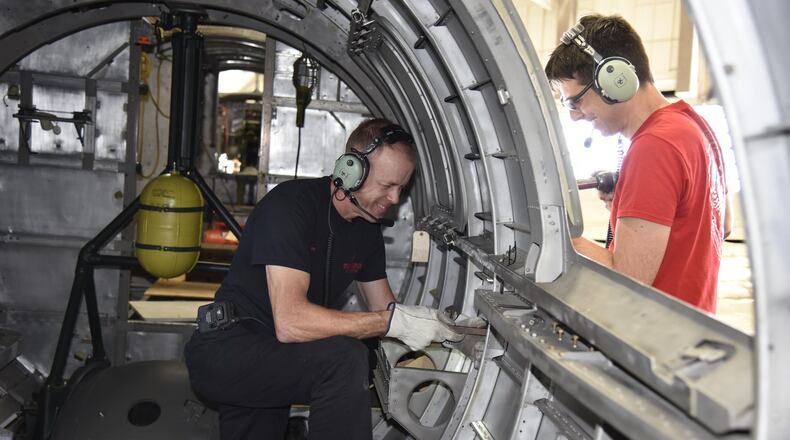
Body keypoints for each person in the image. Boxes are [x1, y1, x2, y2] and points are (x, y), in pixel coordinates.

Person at [184, 118, 462, 440]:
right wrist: (390, 323)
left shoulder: (367, 231)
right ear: (351, 170)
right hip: (227, 349)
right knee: (344, 358)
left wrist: (442, 331)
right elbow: (291, 322)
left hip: (276, 358)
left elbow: (387, 310)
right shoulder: (290, 207)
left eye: (402, 188)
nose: (395, 199)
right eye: (388, 186)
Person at [544, 14, 732, 313]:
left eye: (574, 101)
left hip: (656, 339)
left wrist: (558, 232)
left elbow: (628, 281)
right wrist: (629, 209)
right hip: (692, 331)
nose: (575, 116)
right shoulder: (695, 127)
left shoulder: (654, 147)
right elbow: (721, 226)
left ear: (613, 79)